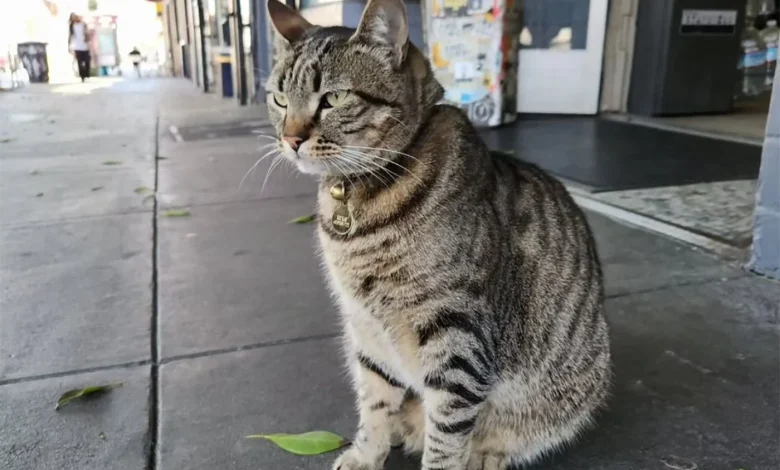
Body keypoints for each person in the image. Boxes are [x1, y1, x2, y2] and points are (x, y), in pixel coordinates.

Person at [68, 13, 90, 82]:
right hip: (77, 46)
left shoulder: (83, 24)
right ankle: (82, 77)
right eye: (72, 17)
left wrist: (87, 39)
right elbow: (70, 36)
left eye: (75, 17)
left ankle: (86, 74)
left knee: (87, 61)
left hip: (85, 46)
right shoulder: (71, 26)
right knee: (79, 62)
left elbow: (87, 33)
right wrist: (69, 46)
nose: (74, 18)